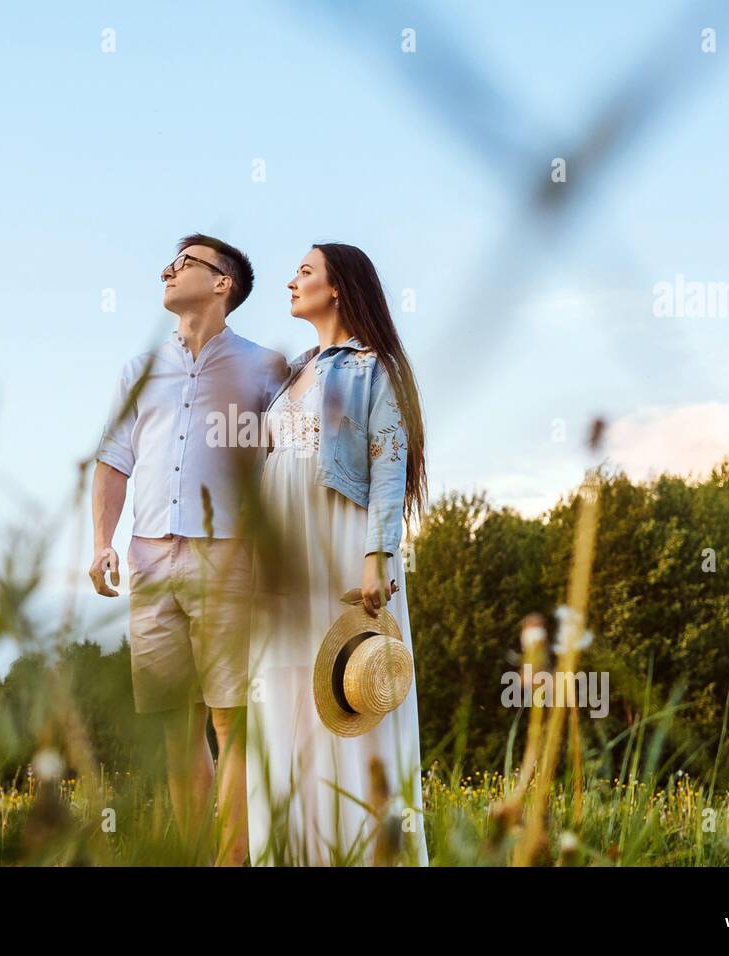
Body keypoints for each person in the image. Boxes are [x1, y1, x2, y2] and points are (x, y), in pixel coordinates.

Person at [90, 233, 287, 866]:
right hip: (148, 560)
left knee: (232, 721)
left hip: (229, 556)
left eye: (185, 263)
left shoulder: (267, 368)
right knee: (177, 726)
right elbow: (113, 462)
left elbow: (289, 465)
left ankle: (234, 861)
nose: (169, 270)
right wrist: (102, 544)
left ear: (222, 282)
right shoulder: (137, 369)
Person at [246, 242, 430, 866]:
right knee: (282, 689)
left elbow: (388, 463)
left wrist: (377, 557)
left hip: (341, 538)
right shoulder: (291, 371)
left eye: (304, 271)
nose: (290, 281)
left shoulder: (373, 367)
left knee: (347, 682)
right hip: (286, 544)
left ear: (340, 289)